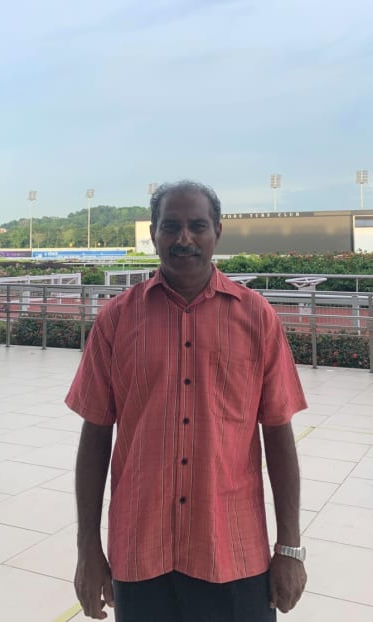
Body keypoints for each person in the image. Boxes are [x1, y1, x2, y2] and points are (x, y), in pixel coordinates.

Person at [66, 181, 308, 622]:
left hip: (234, 551)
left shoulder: (257, 317)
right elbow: (96, 435)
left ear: (217, 231)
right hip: (141, 551)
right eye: (170, 226)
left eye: (197, 226)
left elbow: (278, 433)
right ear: (154, 234)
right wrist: (88, 549)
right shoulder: (117, 320)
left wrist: (289, 548)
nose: (184, 238)